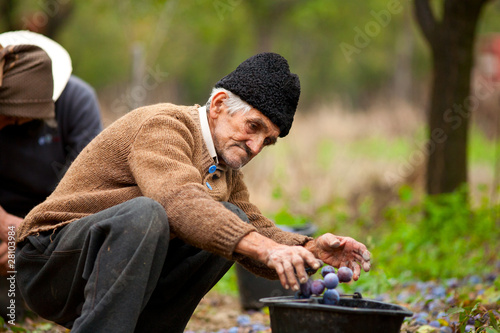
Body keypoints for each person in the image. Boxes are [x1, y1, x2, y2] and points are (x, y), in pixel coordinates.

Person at [15, 52, 371, 332]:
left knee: (231, 219)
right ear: (217, 106)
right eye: (253, 127)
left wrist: (309, 249)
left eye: (268, 140)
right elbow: (177, 199)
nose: (256, 146)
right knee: (151, 213)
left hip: (100, 270)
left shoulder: (223, 167)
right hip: (48, 262)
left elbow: (256, 226)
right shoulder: (165, 125)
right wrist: (260, 246)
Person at [0, 31, 102, 320]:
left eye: (15, 119)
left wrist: (31, 236)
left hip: (55, 218)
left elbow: (86, 188)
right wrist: (6, 225)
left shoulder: (77, 102)